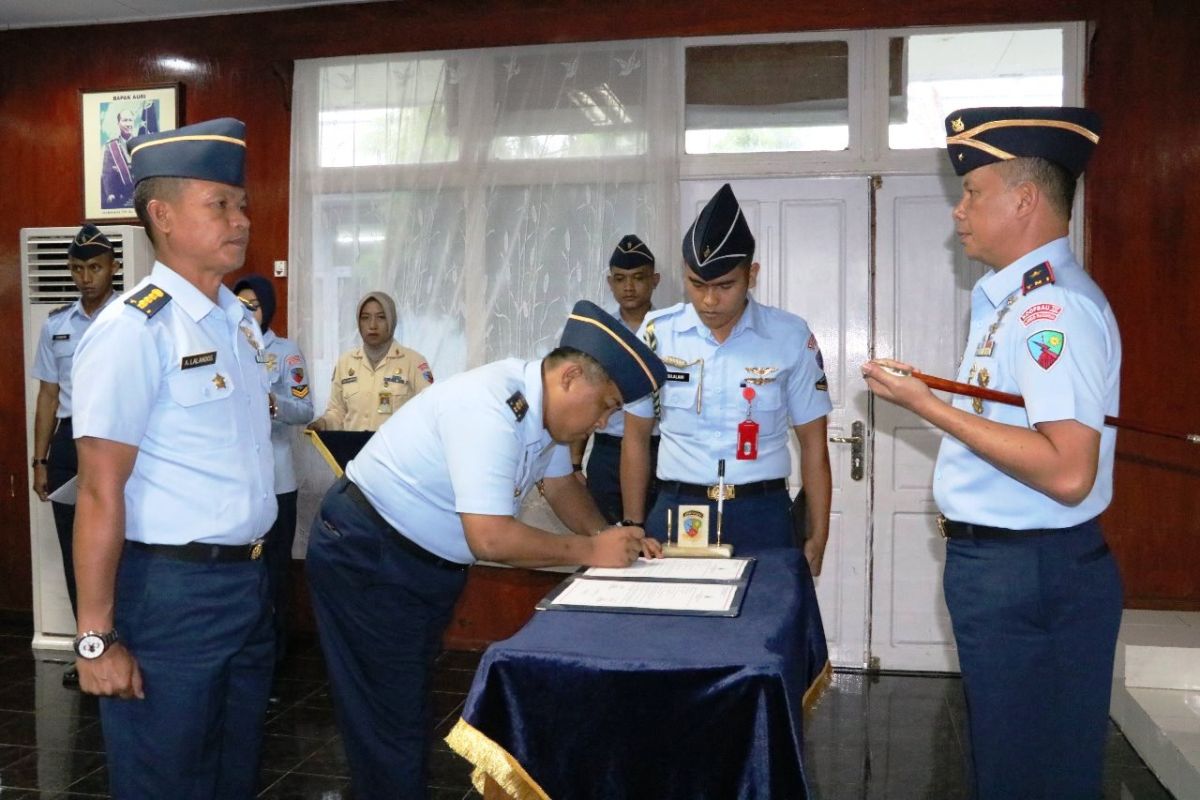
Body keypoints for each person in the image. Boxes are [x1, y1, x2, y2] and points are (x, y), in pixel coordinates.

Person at [861, 107, 1122, 799]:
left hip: (1030, 571)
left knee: (1031, 775)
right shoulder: (1013, 301)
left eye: (973, 191)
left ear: (1025, 199)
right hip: (1010, 568)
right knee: (1009, 766)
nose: (960, 211)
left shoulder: (1049, 311)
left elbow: (1068, 469)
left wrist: (925, 407)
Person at [306, 300, 666, 799]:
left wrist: (615, 539)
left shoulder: (547, 419)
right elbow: (490, 536)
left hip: (417, 565)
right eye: (605, 404)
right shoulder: (492, 406)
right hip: (369, 554)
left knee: (401, 714)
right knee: (389, 726)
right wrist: (591, 550)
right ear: (571, 377)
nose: (605, 421)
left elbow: (561, 488)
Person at [71, 117, 276, 800]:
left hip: (247, 584)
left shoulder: (237, 322)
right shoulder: (134, 330)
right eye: (219, 204)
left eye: (240, 203)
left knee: (231, 774)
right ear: (161, 215)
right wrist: (95, 638)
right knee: (167, 780)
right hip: (171, 593)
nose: (240, 219)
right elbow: (100, 492)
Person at [620, 184, 833, 573]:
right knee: (674, 628)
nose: (709, 301)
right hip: (677, 513)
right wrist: (633, 523)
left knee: (768, 623)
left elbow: (814, 446)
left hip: (762, 513)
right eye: (697, 285)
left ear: (751, 275)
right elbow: (635, 436)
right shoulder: (656, 333)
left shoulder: (789, 336)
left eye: (724, 286)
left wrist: (818, 534)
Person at [30, 223, 121, 688]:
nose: (87, 277)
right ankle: (89, 648)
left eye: (96, 267)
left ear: (113, 268)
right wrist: (39, 459)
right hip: (69, 443)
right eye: (79, 269)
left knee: (125, 548)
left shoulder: (130, 318)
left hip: (119, 442)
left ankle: (126, 645)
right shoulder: (57, 325)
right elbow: (47, 396)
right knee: (75, 551)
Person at [232, 274, 312, 695]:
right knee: (244, 572)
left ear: (268, 308)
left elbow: (306, 409)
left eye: (254, 305)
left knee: (274, 571)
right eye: (240, 304)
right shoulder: (227, 346)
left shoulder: (285, 352)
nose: (247, 312)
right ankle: (247, 652)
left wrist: (272, 403)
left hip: (277, 479)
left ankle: (277, 656)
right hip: (238, 479)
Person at [569, 234, 662, 522]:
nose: (629, 287)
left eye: (638, 278)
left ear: (655, 280)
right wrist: (574, 464)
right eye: (620, 279)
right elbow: (581, 399)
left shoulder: (670, 331)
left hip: (660, 449)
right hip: (607, 452)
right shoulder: (599, 336)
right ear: (610, 283)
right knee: (606, 538)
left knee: (659, 539)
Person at [309, 290, 432, 432]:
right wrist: (322, 424)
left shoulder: (413, 362)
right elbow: (337, 412)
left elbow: (428, 411)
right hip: (354, 451)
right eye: (365, 318)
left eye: (381, 317)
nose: (372, 325)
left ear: (391, 321)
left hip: (397, 451)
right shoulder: (345, 362)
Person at [100, 108, 136, 210]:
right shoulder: (111, 146)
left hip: (139, 194)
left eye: (130, 120)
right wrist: (110, 193)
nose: (128, 124)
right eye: (125, 120)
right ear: (118, 123)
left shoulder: (140, 143)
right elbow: (107, 173)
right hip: (120, 195)